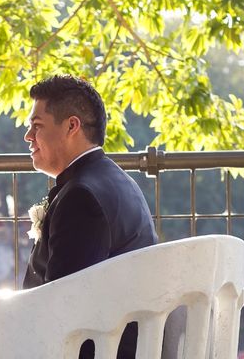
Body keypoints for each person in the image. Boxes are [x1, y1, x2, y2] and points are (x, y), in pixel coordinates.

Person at [22, 75, 158, 359]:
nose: (28, 137)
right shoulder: (114, 179)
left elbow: (64, 306)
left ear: (72, 126)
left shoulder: (82, 196)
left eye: (37, 126)